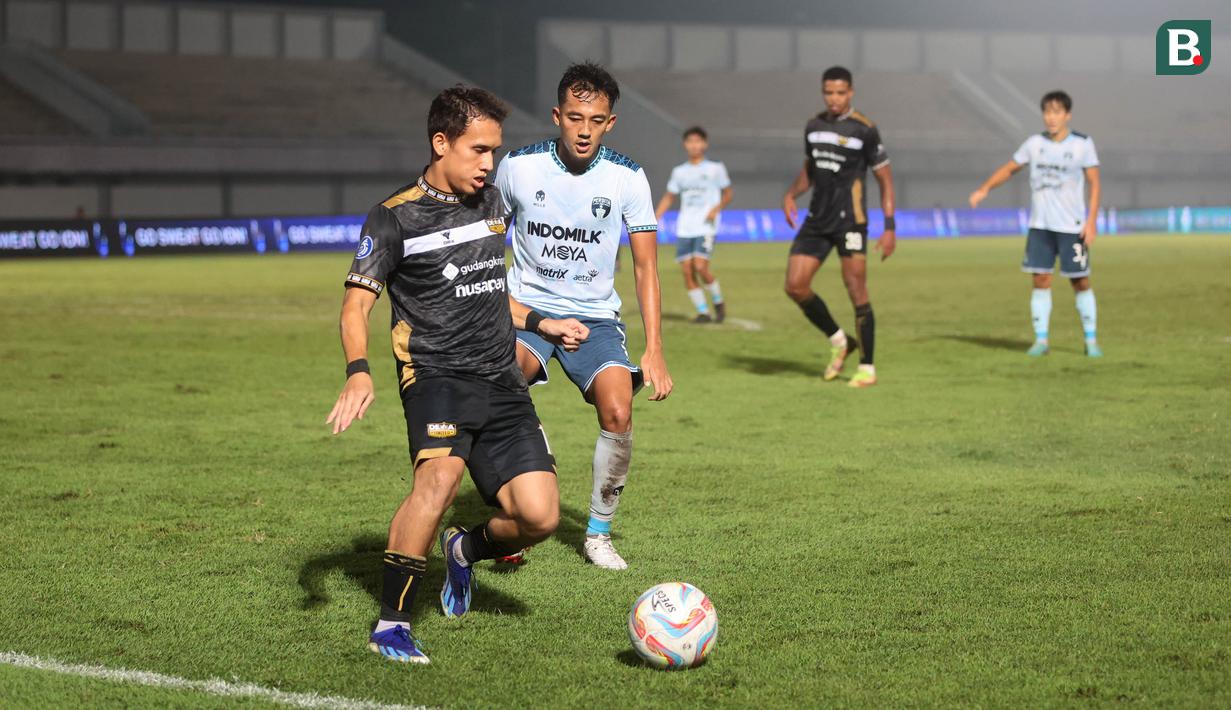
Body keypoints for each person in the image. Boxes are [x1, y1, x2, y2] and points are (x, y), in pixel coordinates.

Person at [326, 85, 588, 664]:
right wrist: (358, 371)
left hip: (502, 380)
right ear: (441, 143)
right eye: (478, 150)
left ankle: (464, 550)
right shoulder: (393, 218)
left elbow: (491, 295)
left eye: (495, 151)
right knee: (438, 485)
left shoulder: (492, 205)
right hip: (437, 377)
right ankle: (391, 623)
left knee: (540, 517)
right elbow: (354, 307)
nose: (489, 164)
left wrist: (542, 322)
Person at [495, 62, 673, 570]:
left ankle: (597, 534)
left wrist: (654, 348)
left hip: (594, 318)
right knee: (505, 386)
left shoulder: (627, 177)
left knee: (618, 410)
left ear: (610, 122)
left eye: (596, 120)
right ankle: (525, 503)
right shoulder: (519, 167)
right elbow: (486, 243)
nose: (584, 129)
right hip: (527, 311)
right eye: (575, 117)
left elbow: (646, 269)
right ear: (557, 116)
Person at [782, 66, 896, 388]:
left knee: (856, 290)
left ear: (851, 92)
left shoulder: (865, 130)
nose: (834, 99)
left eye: (840, 93)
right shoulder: (813, 126)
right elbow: (810, 170)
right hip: (817, 220)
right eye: (829, 93)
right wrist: (792, 194)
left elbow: (885, 180)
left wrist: (889, 227)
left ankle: (868, 367)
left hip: (851, 220)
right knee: (795, 285)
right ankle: (840, 341)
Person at [969, 90, 1102, 357]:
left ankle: (1090, 340)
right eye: (1047, 112)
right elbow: (1009, 168)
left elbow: (1094, 183)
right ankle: (1041, 341)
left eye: (1057, 112)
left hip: (1071, 226)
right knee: (1040, 279)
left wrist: (1091, 222)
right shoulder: (1033, 144)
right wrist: (984, 189)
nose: (1051, 118)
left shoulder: (1082, 145)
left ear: (1067, 115)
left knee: (1080, 282)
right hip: (1040, 225)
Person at [655, 126, 733, 323]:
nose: (694, 145)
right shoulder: (679, 172)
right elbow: (669, 197)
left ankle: (718, 301)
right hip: (685, 227)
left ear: (704, 144)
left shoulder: (715, 168)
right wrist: (654, 218)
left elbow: (728, 194)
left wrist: (717, 208)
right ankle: (703, 312)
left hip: (706, 225)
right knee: (687, 271)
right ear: (685, 144)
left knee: (700, 266)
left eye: (698, 141)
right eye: (690, 141)